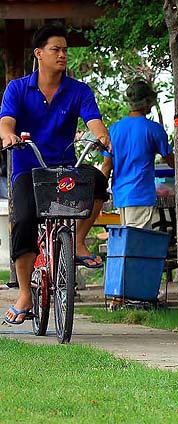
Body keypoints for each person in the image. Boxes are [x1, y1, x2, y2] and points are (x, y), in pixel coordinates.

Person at [0, 25, 111, 324]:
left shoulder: (79, 90)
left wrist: (101, 136)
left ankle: (77, 241)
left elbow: (94, 121)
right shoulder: (18, 88)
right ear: (39, 54)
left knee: (98, 182)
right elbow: (6, 121)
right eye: (56, 50)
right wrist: (9, 136)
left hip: (64, 169)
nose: (63, 55)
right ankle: (24, 293)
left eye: (65, 50)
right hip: (28, 168)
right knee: (23, 221)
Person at [101, 80, 174, 229]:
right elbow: (173, 161)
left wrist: (98, 196)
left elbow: (106, 167)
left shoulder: (114, 130)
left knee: (128, 243)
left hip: (120, 196)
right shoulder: (153, 129)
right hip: (141, 196)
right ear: (147, 102)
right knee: (136, 247)